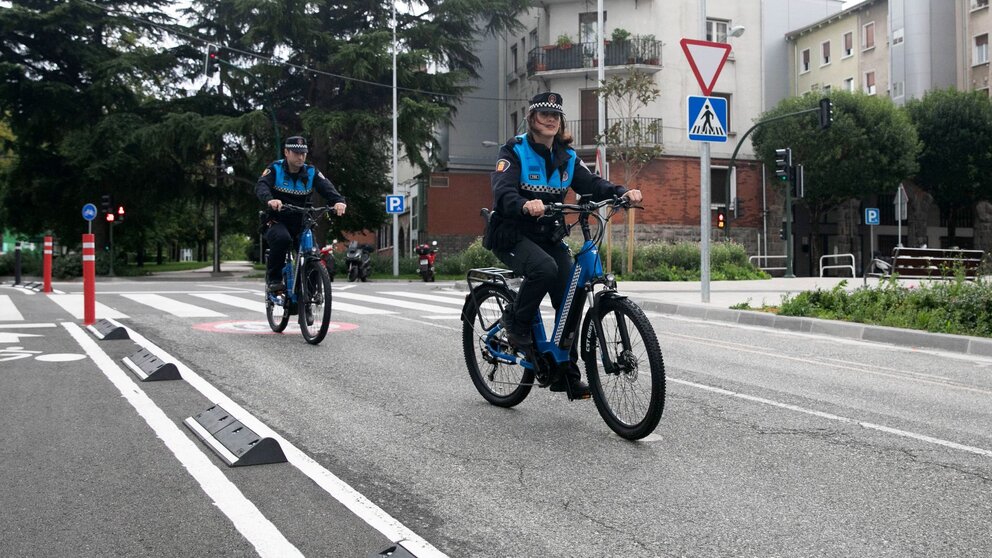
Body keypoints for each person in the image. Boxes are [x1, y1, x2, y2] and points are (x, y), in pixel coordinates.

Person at [489, 92, 643, 400]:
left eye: (555, 116)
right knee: (543, 269)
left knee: (570, 300)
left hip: (548, 235)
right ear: (532, 119)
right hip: (512, 234)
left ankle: (566, 376)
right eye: (543, 114)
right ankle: (515, 323)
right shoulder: (515, 150)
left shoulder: (567, 157)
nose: (550, 120)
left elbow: (592, 183)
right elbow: (502, 190)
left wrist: (621, 192)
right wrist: (523, 204)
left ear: (560, 123)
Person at [256, 136, 347, 292]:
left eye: (303, 153)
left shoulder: (311, 172)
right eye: (296, 153)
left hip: (302, 222)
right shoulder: (275, 169)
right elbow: (261, 186)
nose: (300, 157)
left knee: (312, 253)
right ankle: (274, 279)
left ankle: (310, 294)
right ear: (286, 152)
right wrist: (270, 200)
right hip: (278, 220)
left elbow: (327, 188)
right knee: (282, 239)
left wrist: (339, 201)